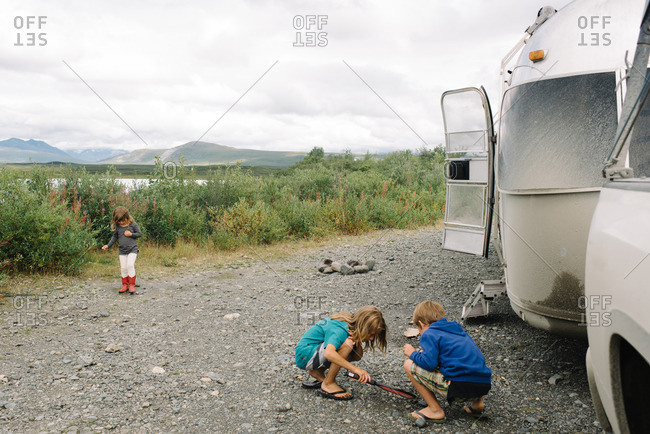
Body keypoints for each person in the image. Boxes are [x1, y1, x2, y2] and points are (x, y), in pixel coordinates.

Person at [403, 301, 491, 423]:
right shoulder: (457, 330)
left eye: (419, 329)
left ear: (422, 324)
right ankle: (477, 404)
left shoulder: (429, 333)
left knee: (408, 364)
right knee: (467, 361)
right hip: (483, 385)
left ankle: (434, 410)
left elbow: (429, 364)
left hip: (459, 389)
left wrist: (412, 353)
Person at [295, 306, 387, 400]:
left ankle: (317, 372)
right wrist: (355, 369)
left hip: (312, 353)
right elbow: (328, 353)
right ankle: (328, 383)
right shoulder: (340, 329)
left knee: (349, 346)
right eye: (371, 334)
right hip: (305, 355)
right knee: (348, 344)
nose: (372, 338)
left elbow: (357, 356)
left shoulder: (351, 326)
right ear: (363, 326)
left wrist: (358, 340)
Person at [102, 206, 142, 294]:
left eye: (122, 220)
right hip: (122, 251)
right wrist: (108, 245)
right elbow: (114, 237)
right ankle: (125, 285)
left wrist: (131, 234)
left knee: (130, 265)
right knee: (123, 268)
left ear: (127, 217)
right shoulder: (118, 226)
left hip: (133, 249)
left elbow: (139, 234)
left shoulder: (133, 224)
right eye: (118, 221)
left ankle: (132, 285)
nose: (121, 222)